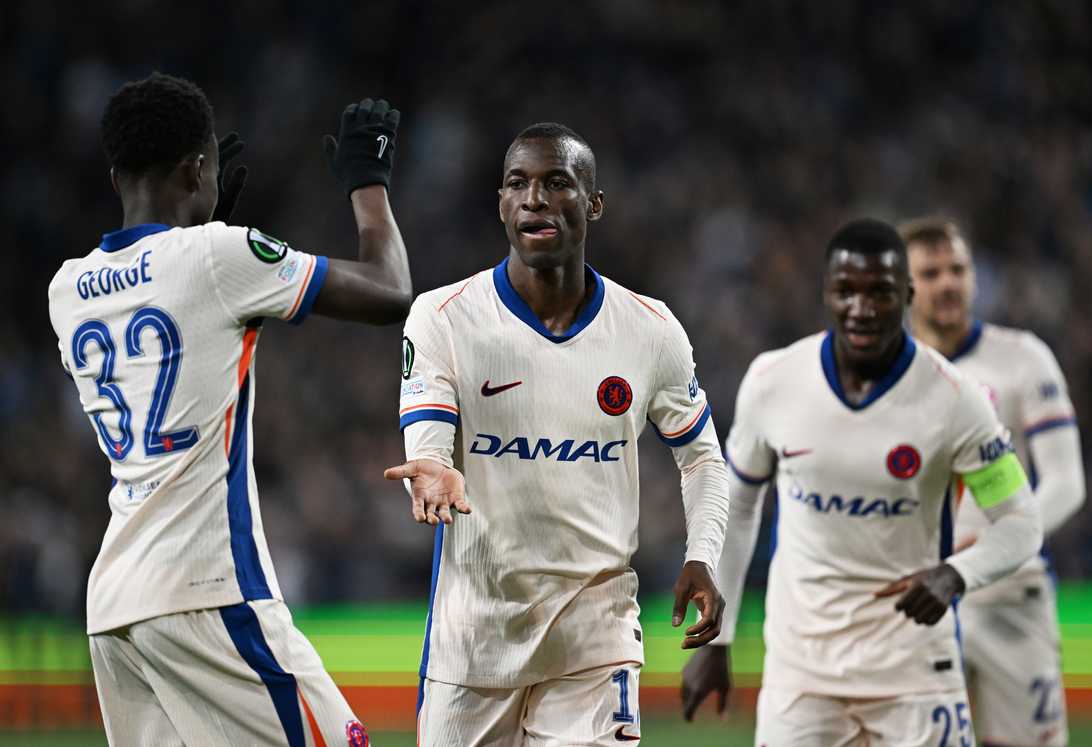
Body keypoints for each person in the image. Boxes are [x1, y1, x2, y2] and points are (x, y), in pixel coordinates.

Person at [47, 72, 410, 746]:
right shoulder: (218, 255)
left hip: (116, 606)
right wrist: (368, 183)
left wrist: (201, 234)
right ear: (197, 168)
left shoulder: (65, 289)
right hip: (208, 585)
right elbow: (390, 291)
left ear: (115, 171)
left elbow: (168, 317)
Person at [383, 122, 730, 746]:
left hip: (595, 636)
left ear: (593, 204)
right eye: (518, 183)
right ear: (500, 204)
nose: (534, 198)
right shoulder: (442, 316)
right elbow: (429, 437)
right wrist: (432, 466)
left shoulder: (650, 329)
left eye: (557, 183)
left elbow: (703, 458)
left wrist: (702, 553)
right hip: (474, 640)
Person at [680, 219, 1044, 746]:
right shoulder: (773, 381)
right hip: (801, 674)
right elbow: (738, 507)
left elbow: (1021, 520)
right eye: (846, 291)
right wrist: (718, 641)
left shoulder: (957, 399)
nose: (862, 307)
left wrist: (955, 574)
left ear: (908, 296)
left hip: (916, 673)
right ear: (826, 293)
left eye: (881, 292)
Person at [902, 217, 1084, 747]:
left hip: (1009, 592)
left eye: (958, 269)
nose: (947, 283)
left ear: (975, 277)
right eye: (930, 272)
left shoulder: (1024, 358)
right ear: (905, 287)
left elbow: (1067, 484)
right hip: (919, 599)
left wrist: (993, 549)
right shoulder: (888, 376)